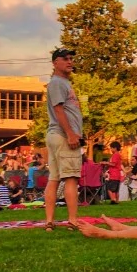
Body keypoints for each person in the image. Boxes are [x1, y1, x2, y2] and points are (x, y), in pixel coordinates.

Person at [43, 47, 83, 227]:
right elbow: (59, 110)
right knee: (71, 178)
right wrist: (71, 134)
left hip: (55, 135)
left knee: (54, 178)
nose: (69, 62)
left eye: (71, 59)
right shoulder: (58, 83)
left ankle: (49, 221)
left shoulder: (63, 83)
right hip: (63, 136)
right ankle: (73, 220)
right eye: (65, 59)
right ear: (54, 63)